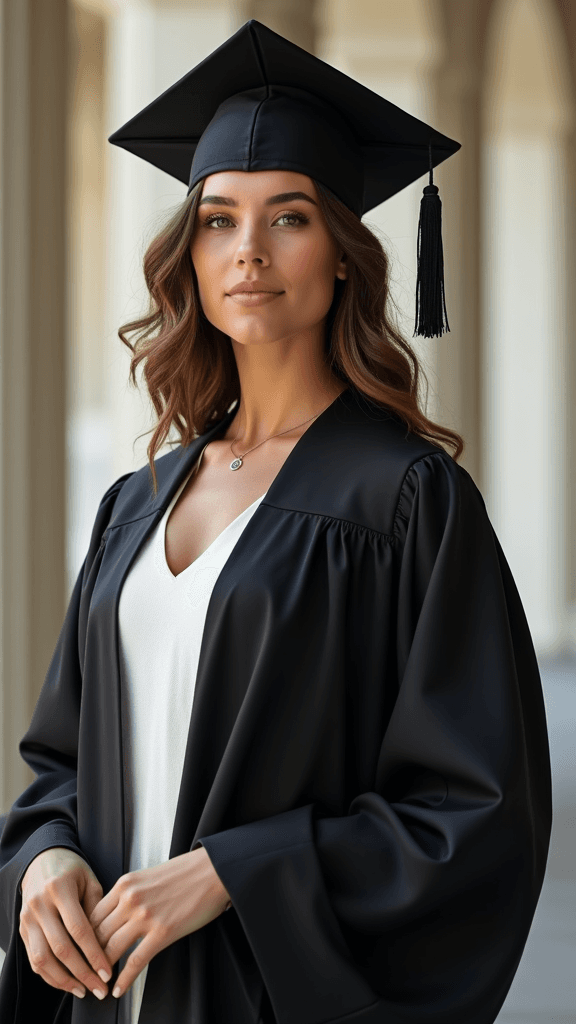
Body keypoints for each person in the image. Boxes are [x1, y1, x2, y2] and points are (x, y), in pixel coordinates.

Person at [0, 19, 551, 1024]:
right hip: (107, 996)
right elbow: (62, 764)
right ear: (190, 257)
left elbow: (474, 814)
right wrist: (45, 859)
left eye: (289, 217)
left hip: (260, 998)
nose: (248, 250)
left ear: (343, 255)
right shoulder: (138, 501)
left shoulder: (406, 501)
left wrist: (232, 872)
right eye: (218, 221)